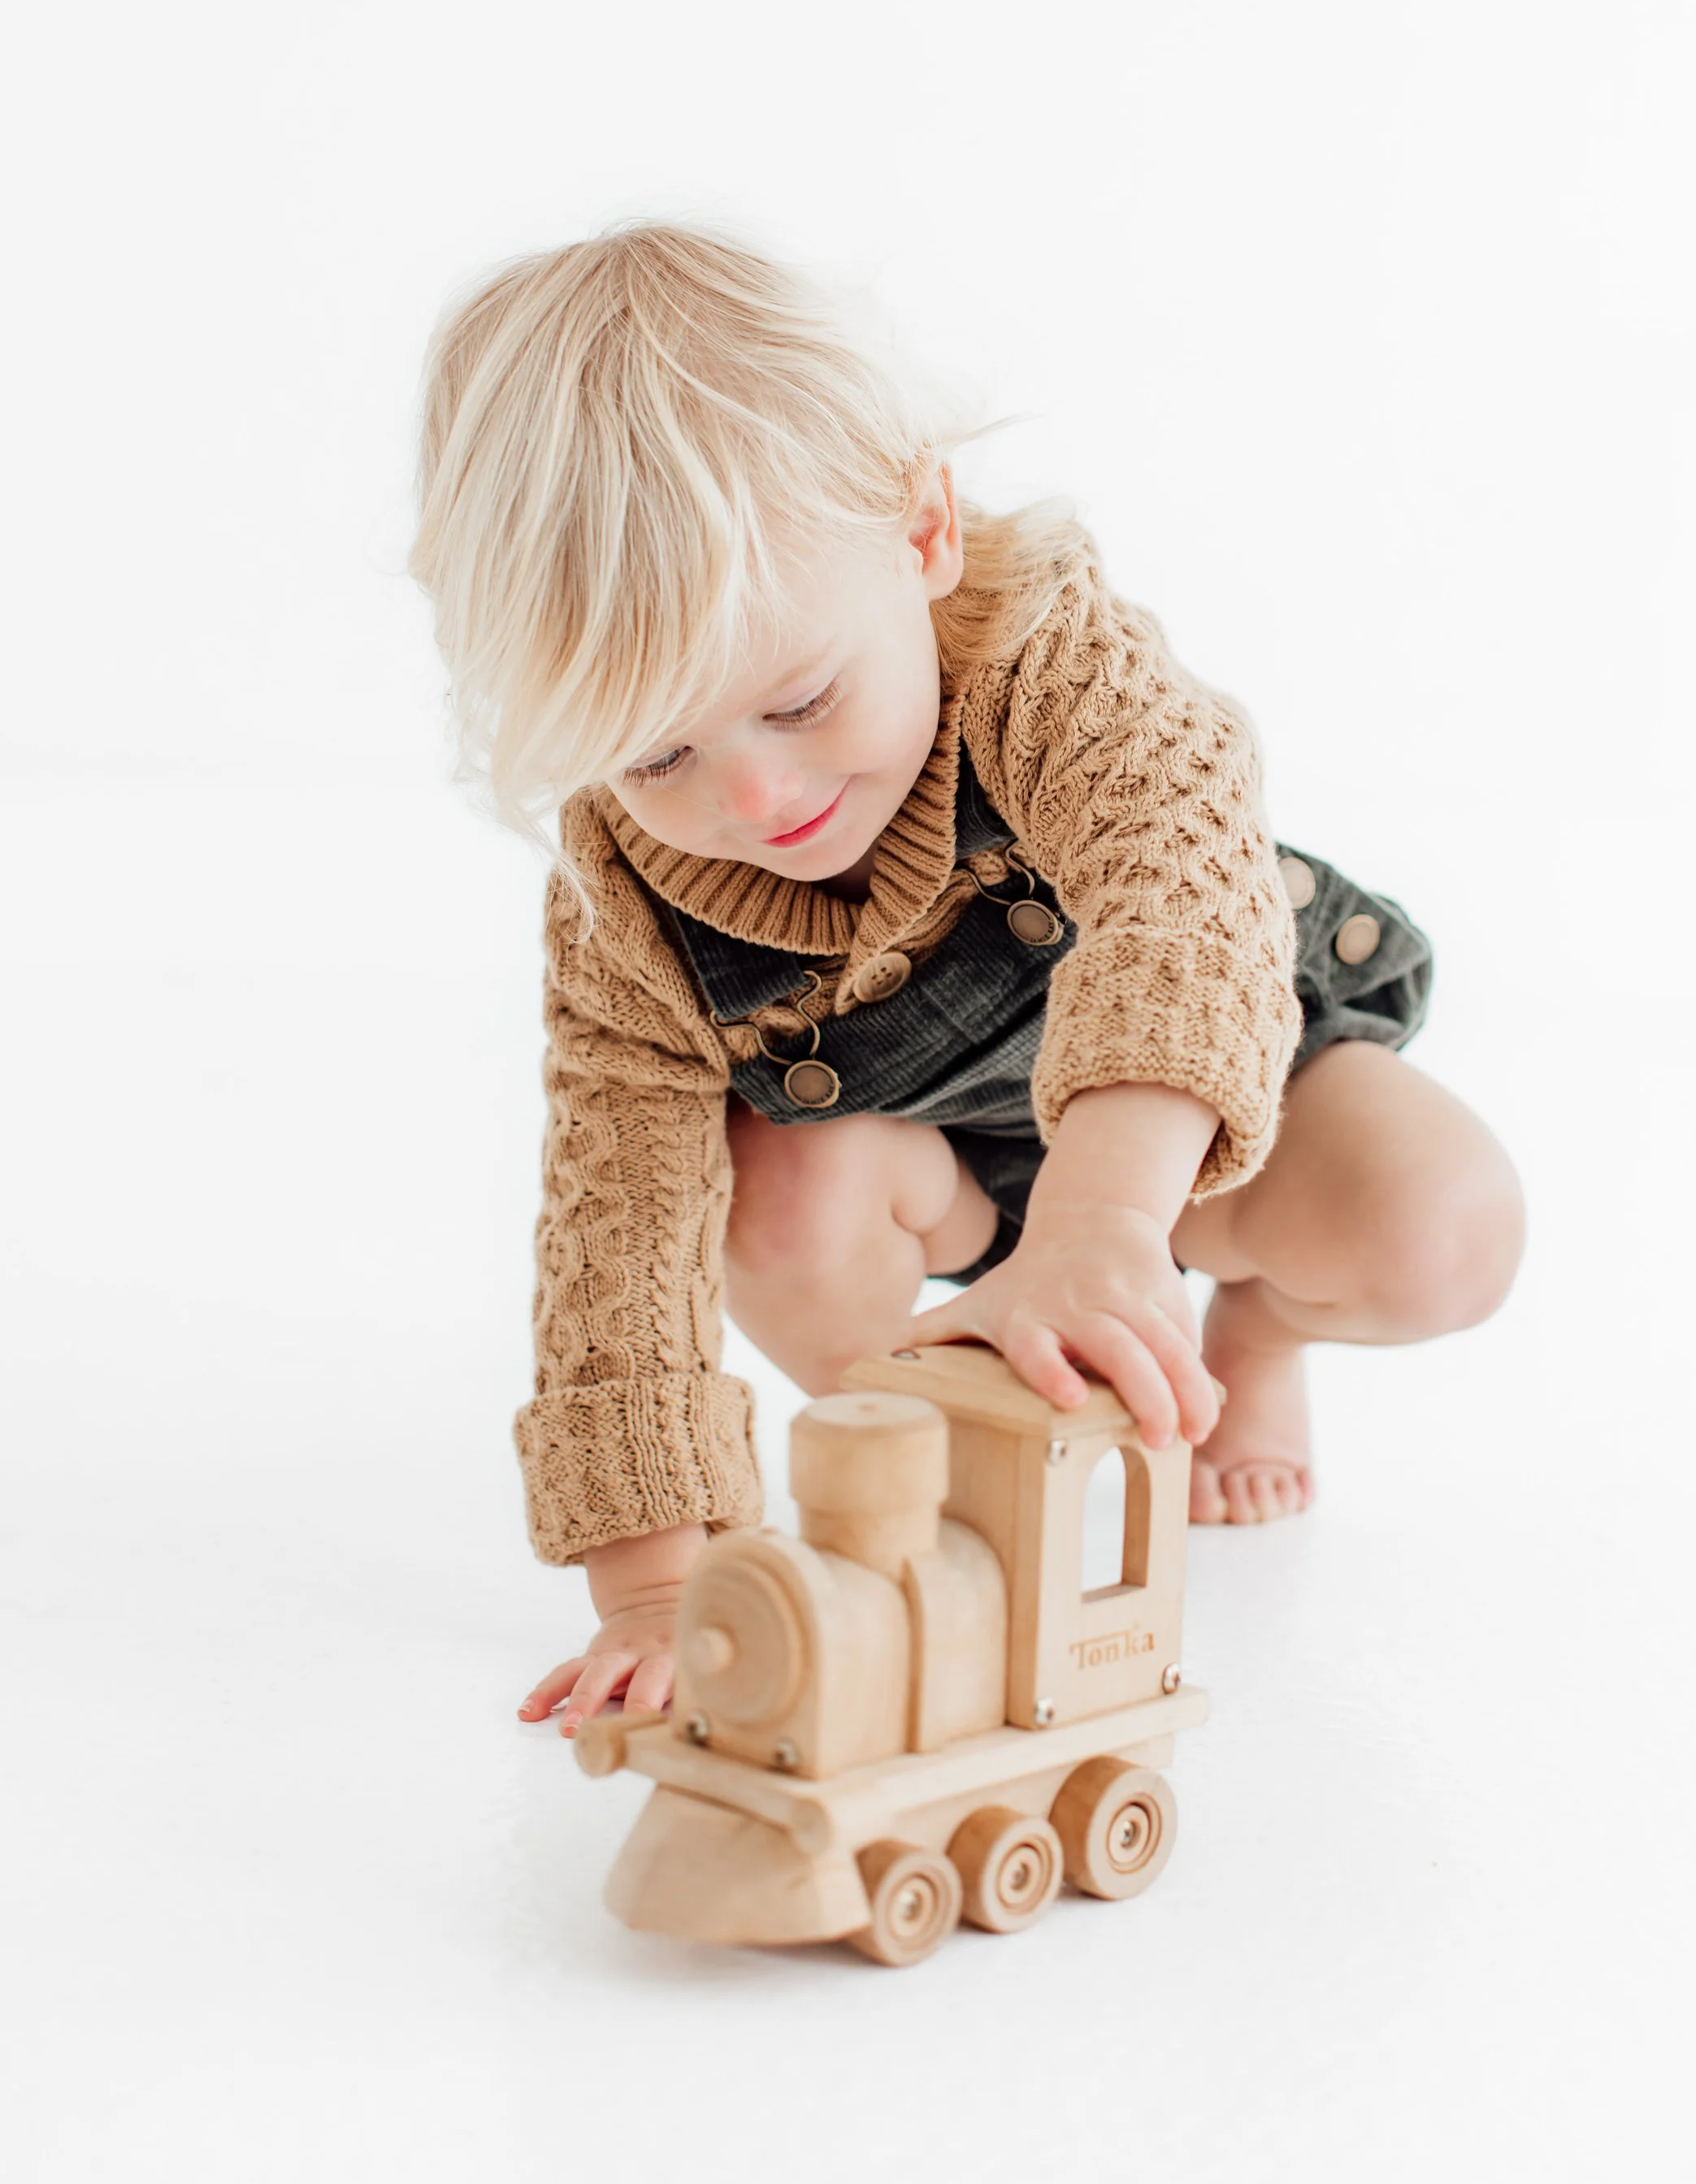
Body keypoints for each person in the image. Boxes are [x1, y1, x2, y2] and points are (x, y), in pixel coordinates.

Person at [408, 223, 1527, 1740]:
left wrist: (1109, 1222)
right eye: (659, 754)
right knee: (775, 1207)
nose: (755, 796)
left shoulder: (1052, 659)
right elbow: (620, 1232)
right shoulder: (627, 908)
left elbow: (1177, 909)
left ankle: (1243, 1331)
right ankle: (966, 1439)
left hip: (1194, 1098)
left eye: (801, 698)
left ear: (923, 532)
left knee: (1444, 1224)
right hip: (948, 1176)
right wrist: (657, 1590)